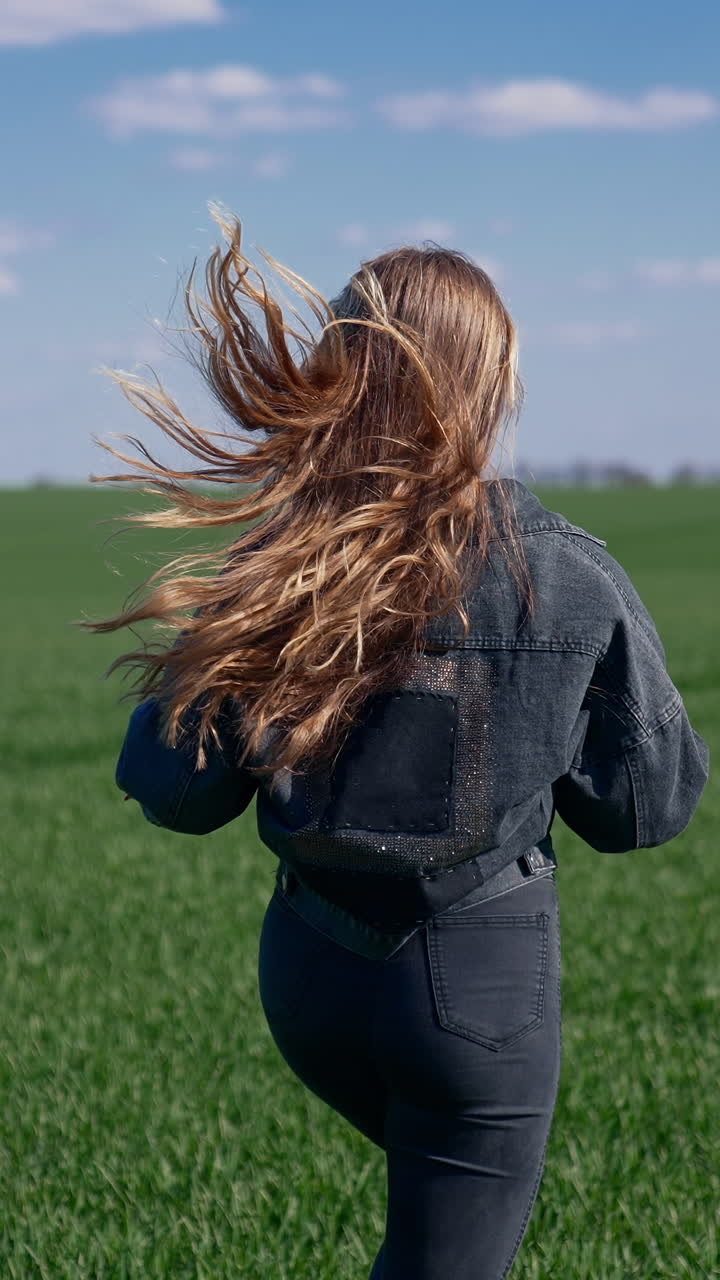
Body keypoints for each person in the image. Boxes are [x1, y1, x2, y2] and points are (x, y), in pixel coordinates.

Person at [82, 204, 710, 1279]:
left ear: (342, 373)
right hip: (478, 990)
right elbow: (646, 810)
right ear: (489, 384)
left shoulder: (282, 562)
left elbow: (177, 790)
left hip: (309, 979)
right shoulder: (566, 570)